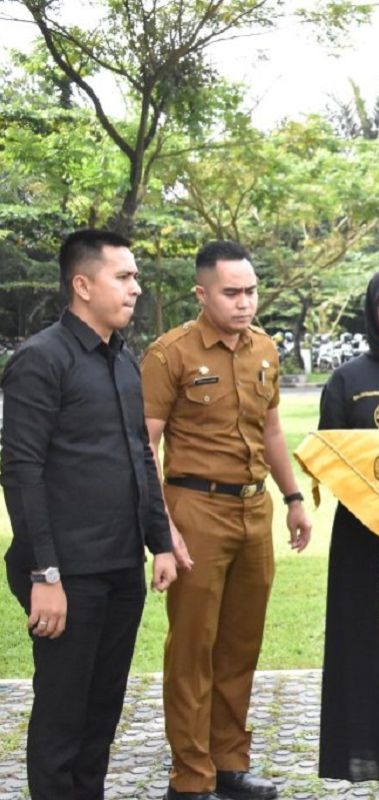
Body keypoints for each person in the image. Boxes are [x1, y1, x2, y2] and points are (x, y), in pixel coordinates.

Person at [1, 229, 177, 799]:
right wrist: (43, 575)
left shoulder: (123, 362)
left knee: (101, 716)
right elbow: (21, 471)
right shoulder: (40, 360)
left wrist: (161, 542)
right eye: (123, 277)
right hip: (65, 572)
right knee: (62, 718)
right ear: (82, 284)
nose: (135, 288)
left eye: (135, 277)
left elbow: (139, 457)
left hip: (120, 567)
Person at [142, 241, 314, 800]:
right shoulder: (170, 353)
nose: (245, 303)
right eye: (232, 293)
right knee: (193, 647)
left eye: (251, 291)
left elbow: (271, 432)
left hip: (253, 507)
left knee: (241, 643)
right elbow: (146, 446)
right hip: (194, 508)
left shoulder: (263, 347)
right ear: (202, 293)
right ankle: (190, 779)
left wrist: (291, 496)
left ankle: (229, 764)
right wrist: (161, 526)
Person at [317, 264, 379, 799]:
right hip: (363, 543)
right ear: (371, 311)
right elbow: (330, 456)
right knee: (368, 651)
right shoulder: (348, 381)